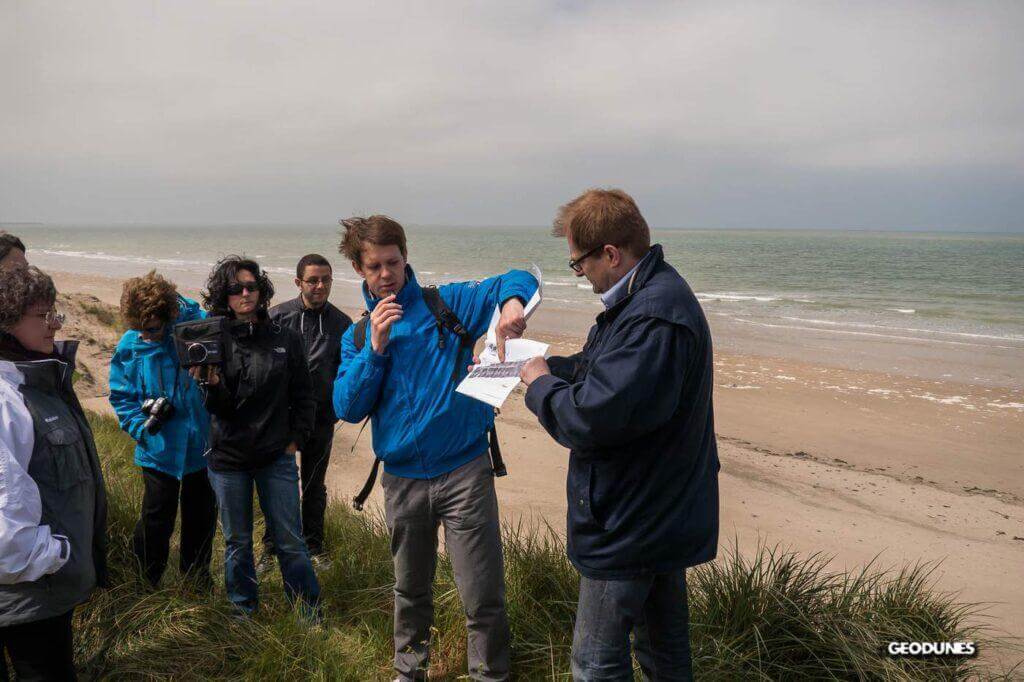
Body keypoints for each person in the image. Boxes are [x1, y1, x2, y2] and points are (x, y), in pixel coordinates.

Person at [518, 189, 720, 681]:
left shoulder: (654, 314)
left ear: (610, 253)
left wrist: (539, 384)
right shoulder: (640, 298)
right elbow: (603, 372)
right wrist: (537, 367)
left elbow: (591, 419)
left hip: (631, 521)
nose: (579, 273)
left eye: (578, 264)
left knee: (595, 663)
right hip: (655, 512)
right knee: (663, 655)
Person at [333, 215, 537, 682]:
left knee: (481, 593)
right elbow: (346, 406)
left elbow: (519, 277)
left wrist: (509, 305)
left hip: (465, 470)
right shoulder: (358, 336)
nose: (386, 274)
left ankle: (490, 676)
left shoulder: (447, 303)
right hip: (402, 479)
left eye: (393, 262)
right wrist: (376, 350)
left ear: (406, 259)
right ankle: (410, 672)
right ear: (359, 270)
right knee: (410, 590)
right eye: (374, 266)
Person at [189, 256, 320, 617]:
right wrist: (210, 383)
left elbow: (304, 394)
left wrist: (297, 439)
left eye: (251, 287)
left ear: (262, 291)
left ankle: (307, 612)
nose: (245, 294)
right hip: (228, 459)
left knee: (290, 541)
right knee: (237, 542)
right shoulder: (212, 340)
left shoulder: (285, 337)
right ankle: (243, 611)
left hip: (275, 455)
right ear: (223, 295)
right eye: (235, 289)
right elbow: (217, 408)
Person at [0, 266, 108, 681]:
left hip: (42, 592)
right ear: (7, 322)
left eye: (55, 312)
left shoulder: (35, 382)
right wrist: (55, 555)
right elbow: (6, 514)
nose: (56, 323)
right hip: (28, 594)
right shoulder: (7, 399)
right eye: (42, 315)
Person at [108, 271, 217, 589]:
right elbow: (122, 396)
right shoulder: (131, 343)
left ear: (169, 314)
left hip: (202, 444)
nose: (147, 336)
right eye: (140, 329)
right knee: (156, 519)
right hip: (157, 446)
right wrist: (140, 428)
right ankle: (145, 583)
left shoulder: (197, 326)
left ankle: (196, 582)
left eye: (153, 329)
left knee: (201, 517)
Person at [263, 254, 352, 566]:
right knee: (279, 484)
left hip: (321, 418)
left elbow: (347, 372)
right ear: (298, 282)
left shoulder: (342, 324)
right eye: (313, 280)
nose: (320, 286)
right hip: (281, 419)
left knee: (314, 486)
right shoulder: (276, 317)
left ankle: (314, 548)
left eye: (326, 279)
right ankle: (271, 549)